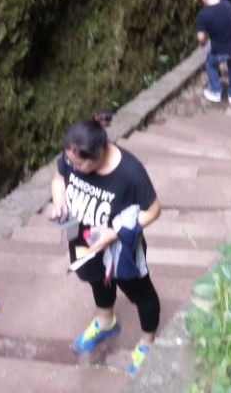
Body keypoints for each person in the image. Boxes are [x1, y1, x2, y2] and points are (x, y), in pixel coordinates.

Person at [50, 111, 161, 377]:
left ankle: (147, 342)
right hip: (85, 240)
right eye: (70, 161)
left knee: (141, 293)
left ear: (98, 154)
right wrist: (59, 199)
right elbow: (59, 178)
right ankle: (105, 321)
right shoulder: (72, 157)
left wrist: (114, 232)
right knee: (96, 280)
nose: (74, 167)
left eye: (80, 165)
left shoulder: (130, 173)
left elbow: (153, 210)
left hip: (120, 247)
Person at [196, 0, 231, 103]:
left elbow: (200, 38)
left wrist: (203, 43)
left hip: (220, 50)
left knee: (210, 63)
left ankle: (216, 91)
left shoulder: (202, 15)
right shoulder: (227, 4)